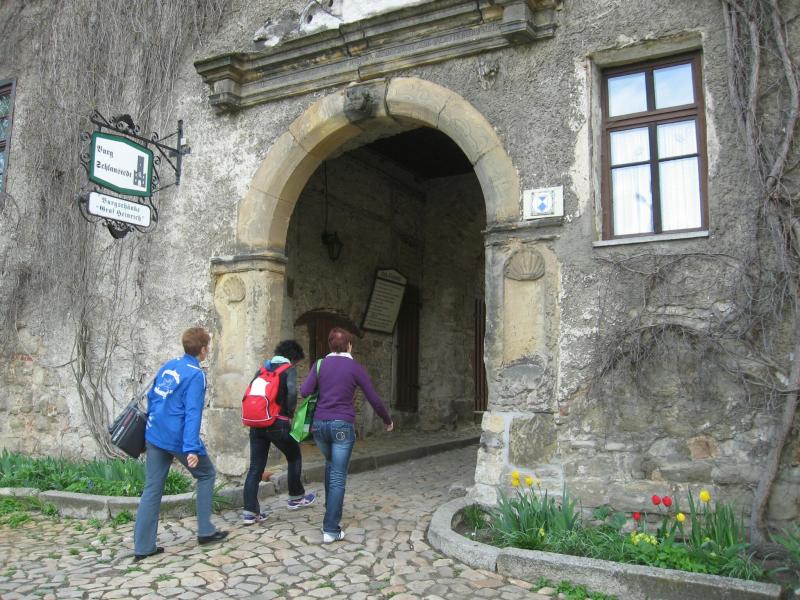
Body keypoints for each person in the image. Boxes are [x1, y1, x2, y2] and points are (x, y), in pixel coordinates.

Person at [133, 327, 228, 561]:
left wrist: (153, 424)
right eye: (207, 347)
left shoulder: (169, 365)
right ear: (203, 350)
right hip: (177, 438)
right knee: (206, 474)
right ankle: (205, 531)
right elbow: (193, 413)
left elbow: (152, 397)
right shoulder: (196, 374)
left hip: (155, 434)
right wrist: (191, 448)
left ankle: (143, 547)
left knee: (152, 488)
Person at [300, 327, 394, 544]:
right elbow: (373, 396)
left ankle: (330, 510)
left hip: (320, 427)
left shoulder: (320, 364)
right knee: (338, 475)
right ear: (349, 345)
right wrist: (386, 419)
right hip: (342, 426)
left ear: (330, 345)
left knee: (330, 465)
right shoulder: (354, 367)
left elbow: (304, 391)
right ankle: (331, 529)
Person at [242, 339, 316, 525]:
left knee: (255, 467)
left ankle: (250, 512)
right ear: (294, 357)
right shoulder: (288, 369)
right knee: (294, 456)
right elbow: (292, 393)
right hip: (277, 423)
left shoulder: (262, 370)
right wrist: (289, 414)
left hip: (257, 424)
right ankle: (296, 497)